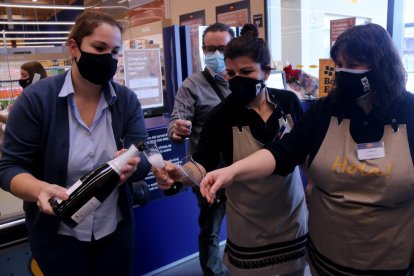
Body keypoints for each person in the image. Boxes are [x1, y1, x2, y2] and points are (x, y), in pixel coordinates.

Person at [200, 23, 414, 275]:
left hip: (390, 259)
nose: (343, 73)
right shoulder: (326, 110)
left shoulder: (409, 112)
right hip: (326, 257)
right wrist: (231, 171)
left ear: (381, 64)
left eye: (353, 65)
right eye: (338, 65)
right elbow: (284, 151)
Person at [0, 10, 150, 276]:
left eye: (115, 51)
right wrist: (39, 189)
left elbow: (144, 156)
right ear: (74, 47)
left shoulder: (126, 101)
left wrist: (134, 164)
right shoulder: (37, 100)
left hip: (114, 234)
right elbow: (9, 167)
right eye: (99, 47)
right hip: (58, 237)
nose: (108, 58)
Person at [157, 24, 308, 276]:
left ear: (266, 72)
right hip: (249, 224)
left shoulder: (288, 102)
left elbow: (304, 150)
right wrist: (180, 175)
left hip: (291, 216)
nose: (238, 79)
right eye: (231, 73)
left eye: (247, 71)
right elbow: (201, 161)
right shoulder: (222, 114)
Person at [167, 22, 235, 276]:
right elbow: (176, 121)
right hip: (207, 171)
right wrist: (177, 129)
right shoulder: (192, 85)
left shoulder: (242, 81)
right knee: (211, 228)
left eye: (222, 48)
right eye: (210, 48)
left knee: (245, 224)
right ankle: (213, 272)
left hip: (242, 168)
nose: (216, 54)